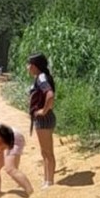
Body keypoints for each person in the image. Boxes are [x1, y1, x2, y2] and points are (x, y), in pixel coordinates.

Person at [27, 53, 57, 188]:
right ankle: (47, 180)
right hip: (44, 118)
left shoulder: (41, 78)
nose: (28, 67)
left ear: (34, 66)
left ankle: (49, 181)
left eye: (29, 65)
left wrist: (43, 111)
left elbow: (50, 95)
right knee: (44, 151)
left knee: (47, 152)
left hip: (43, 119)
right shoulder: (40, 77)